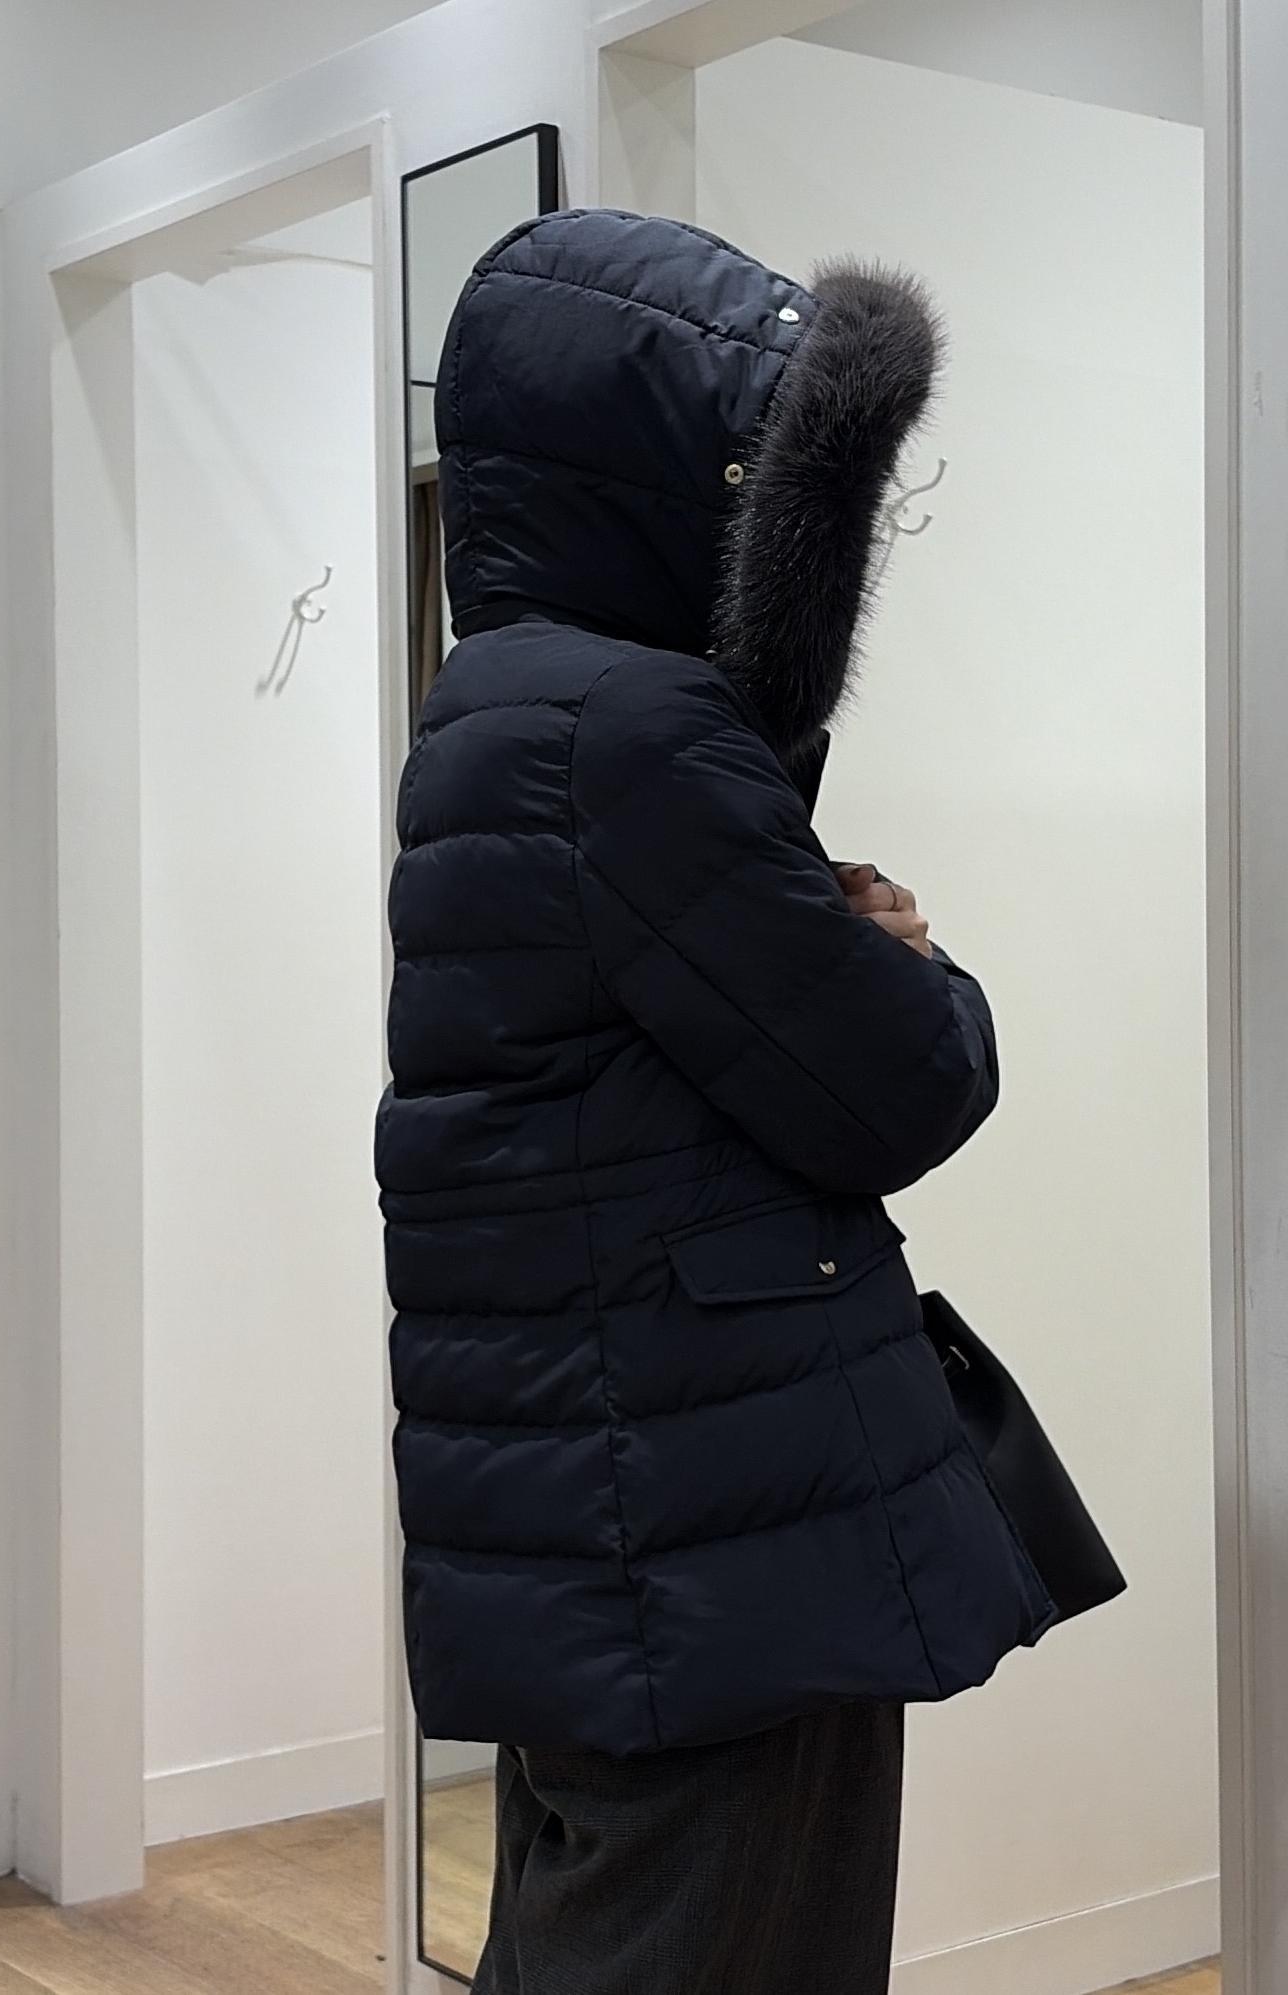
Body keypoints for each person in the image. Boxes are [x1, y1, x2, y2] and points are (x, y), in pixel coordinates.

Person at [377, 208, 1051, 1995]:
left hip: (621, 1516)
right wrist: (914, 961)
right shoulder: (630, 734)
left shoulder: (502, 710)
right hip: (710, 1547)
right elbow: (899, 1085)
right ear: (679, 485)